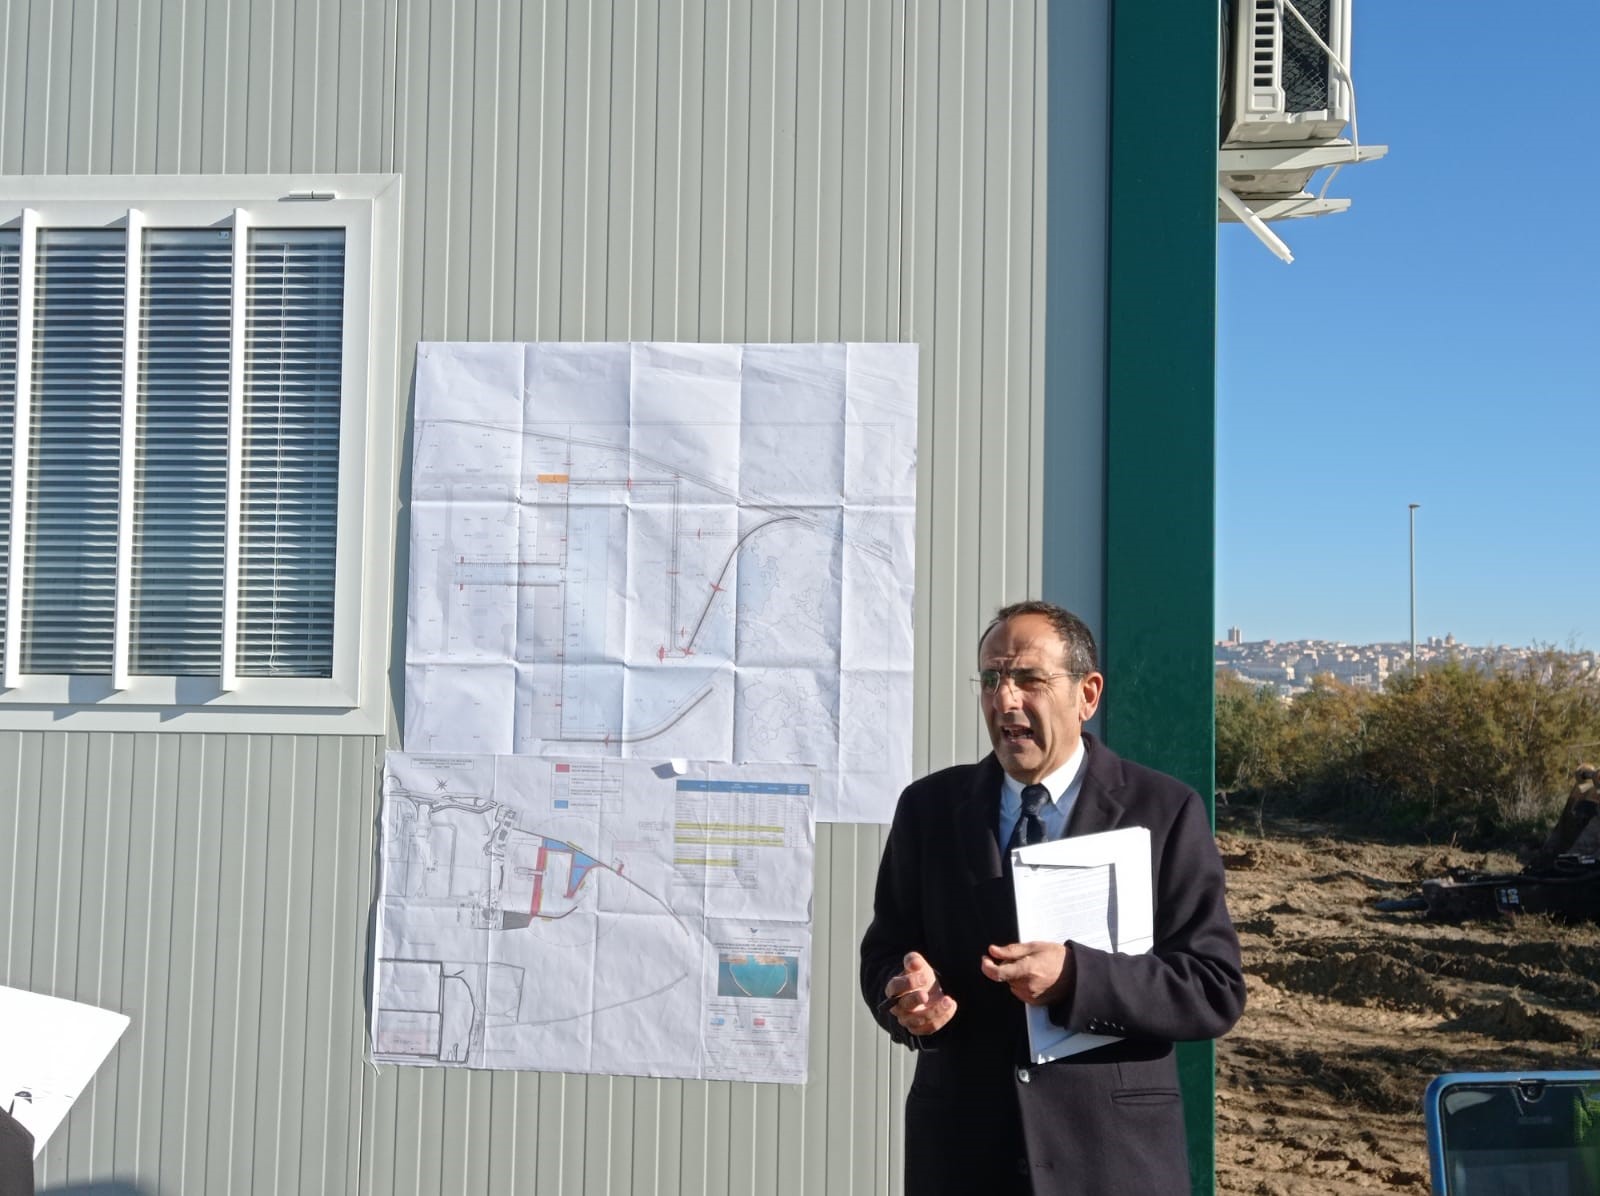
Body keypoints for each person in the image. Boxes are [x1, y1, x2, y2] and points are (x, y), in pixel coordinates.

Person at [859, 600, 1246, 1195]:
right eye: (991, 679)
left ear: (1087, 695)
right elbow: (884, 953)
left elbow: (1212, 989)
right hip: (963, 1158)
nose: (1004, 700)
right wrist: (906, 999)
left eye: (1028, 679)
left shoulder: (1164, 811)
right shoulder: (928, 809)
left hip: (1110, 1162)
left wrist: (1075, 978)